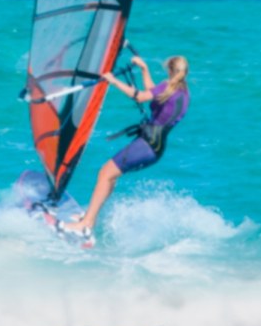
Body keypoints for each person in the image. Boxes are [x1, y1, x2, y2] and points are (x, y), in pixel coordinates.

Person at [62, 55, 191, 239]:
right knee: (110, 176)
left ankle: (85, 223)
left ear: (170, 70)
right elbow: (153, 92)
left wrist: (113, 81)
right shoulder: (183, 92)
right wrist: (144, 69)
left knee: (105, 173)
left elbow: (140, 97)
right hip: (155, 148)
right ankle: (91, 217)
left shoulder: (167, 87)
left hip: (146, 144)